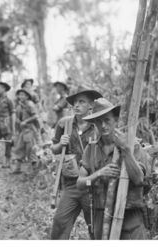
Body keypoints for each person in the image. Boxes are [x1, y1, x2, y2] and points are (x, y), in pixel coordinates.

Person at [76, 98, 150, 240]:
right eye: (98, 121)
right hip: (100, 215)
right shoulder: (91, 149)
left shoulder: (131, 144)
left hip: (129, 217)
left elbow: (139, 179)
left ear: (115, 120)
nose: (103, 125)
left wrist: (126, 152)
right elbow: (80, 184)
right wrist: (97, 174)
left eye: (107, 120)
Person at [51, 87, 102, 239]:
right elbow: (54, 149)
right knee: (60, 222)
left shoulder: (98, 126)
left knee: (95, 227)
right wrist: (61, 144)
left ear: (91, 105)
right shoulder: (64, 124)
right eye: (75, 102)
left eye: (82, 102)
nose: (77, 105)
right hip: (71, 184)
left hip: (91, 185)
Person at [12, 88, 40, 174]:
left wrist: (26, 121)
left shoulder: (30, 104)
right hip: (22, 131)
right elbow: (17, 119)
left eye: (23, 95)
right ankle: (17, 168)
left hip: (30, 130)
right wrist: (16, 130)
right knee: (19, 148)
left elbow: (35, 116)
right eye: (20, 95)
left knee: (31, 149)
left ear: (27, 96)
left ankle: (34, 170)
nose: (21, 96)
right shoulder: (19, 106)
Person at [0, 81, 15, 167]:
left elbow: (13, 114)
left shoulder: (9, 100)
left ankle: (7, 162)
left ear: (4, 89)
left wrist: (13, 128)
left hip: (6, 124)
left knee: (8, 143)